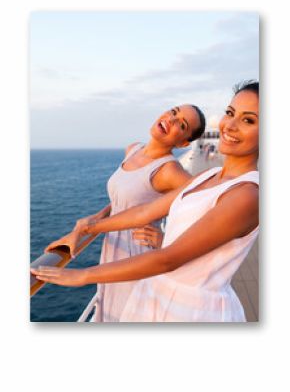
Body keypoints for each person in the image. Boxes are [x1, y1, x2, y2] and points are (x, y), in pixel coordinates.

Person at [32, 81, 259, 322]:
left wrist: (83, 276)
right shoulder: (209, 176)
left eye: (249, 120)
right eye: (230, 113)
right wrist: (84, 227)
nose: (230, 125)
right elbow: (144, 212)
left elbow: (168, 258)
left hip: (191, 310)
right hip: (158, 293)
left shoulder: (247, 195)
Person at [44, 104, 206, 322]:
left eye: (182, 124)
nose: (172, 119)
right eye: (174, 111)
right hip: (111, 246)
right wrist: (95, 218)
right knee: (109, 310)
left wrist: (165, 240)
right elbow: (122, 200)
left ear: (183, 143)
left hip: (137, 252)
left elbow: (204, 213)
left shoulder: (170, 171)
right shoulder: (133, 149)